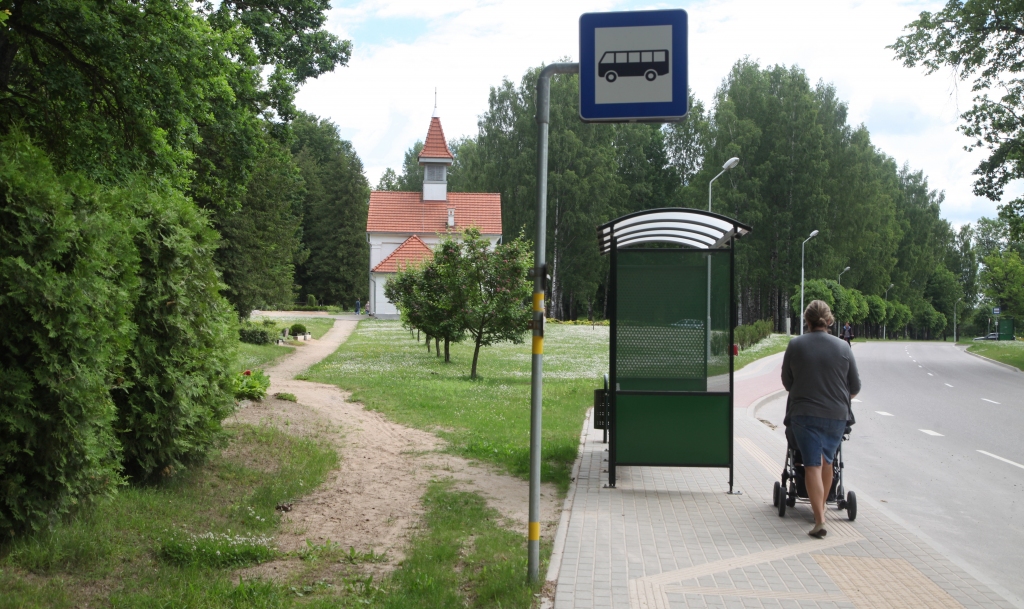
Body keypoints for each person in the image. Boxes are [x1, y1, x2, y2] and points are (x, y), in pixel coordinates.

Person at [781, 300, 860, 538]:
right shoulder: (844, 348)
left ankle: (820, 520)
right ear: (829, 320)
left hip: (804, 414)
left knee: (811, 466)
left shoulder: (795, 345)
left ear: (807, 320)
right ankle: (822, 508)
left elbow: (787, 383)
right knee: (828, 462)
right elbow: (854, 387)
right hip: (836, 416)